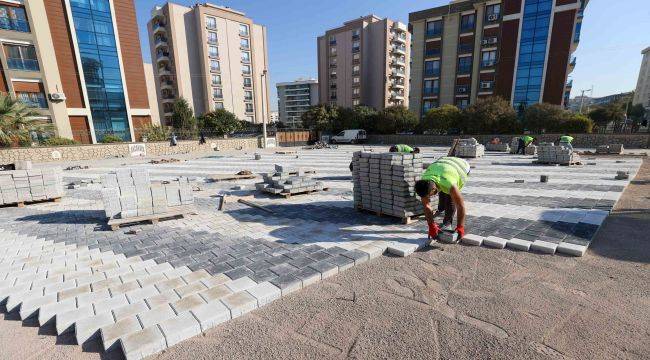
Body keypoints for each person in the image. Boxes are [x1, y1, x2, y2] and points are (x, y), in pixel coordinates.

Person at [415, 156, 470, 242]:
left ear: (433, 189)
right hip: (442, 165)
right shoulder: (424, 182)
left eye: (429, 195)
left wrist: (460, 227)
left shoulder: (450, 184)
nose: (429, 198)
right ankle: (441, 208)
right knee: (443, 191)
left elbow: (460, 205)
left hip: (461, 166)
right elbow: (426, 205)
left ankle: (448, 222)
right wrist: (431, 226)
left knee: (450, 197)